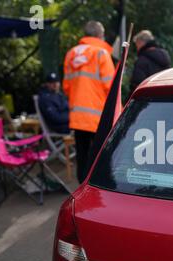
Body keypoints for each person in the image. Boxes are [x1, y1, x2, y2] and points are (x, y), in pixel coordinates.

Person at [63, 21, 115, 183]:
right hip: (98, 116)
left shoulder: (71, 54)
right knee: (101, 156)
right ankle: (99, 187)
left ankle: (82, 189)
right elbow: (110, 87)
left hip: (78, 117)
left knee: (82, 155)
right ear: (100, 35)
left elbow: (66, 86)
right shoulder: (101, 54)